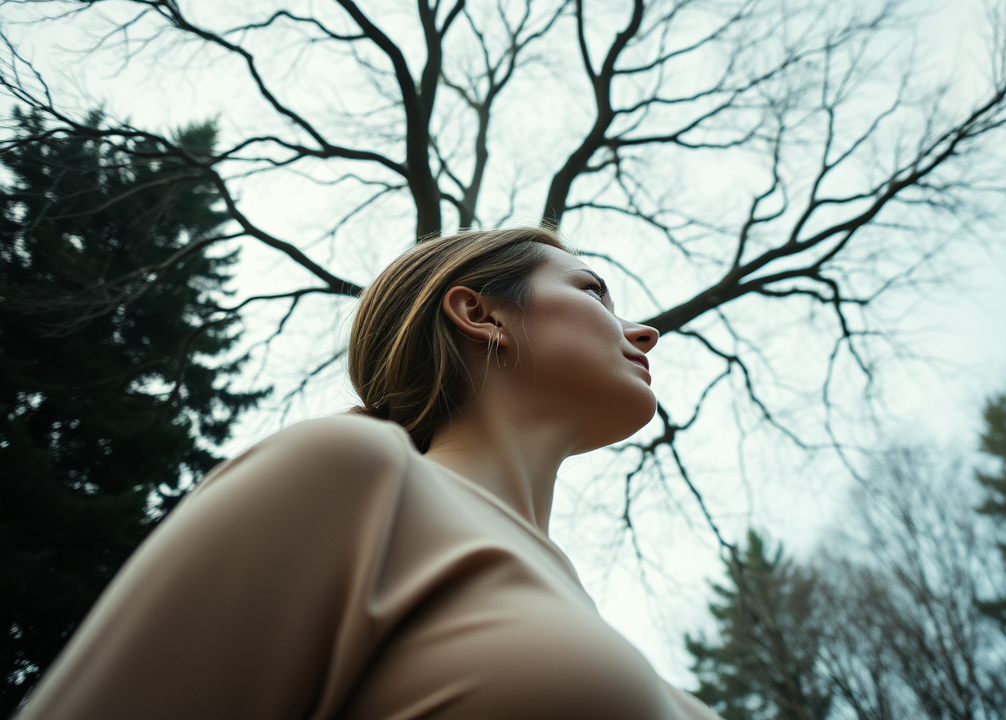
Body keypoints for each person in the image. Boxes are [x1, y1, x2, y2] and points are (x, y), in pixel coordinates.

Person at [15, 227, 722, 720]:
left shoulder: (580, 618)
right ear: (480, 314)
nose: (643, 330)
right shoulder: (344, 478)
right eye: (595, 292)